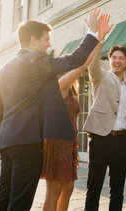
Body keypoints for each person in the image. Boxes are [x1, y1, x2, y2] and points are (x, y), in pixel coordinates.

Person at [0, 8, 109, 211]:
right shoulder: (37, 61)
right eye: (46, 39)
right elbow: (75, 60)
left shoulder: (4, 68)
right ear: (33, 40)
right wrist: (91, 32)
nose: (49, 44)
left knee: (4, 194)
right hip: (27, 143)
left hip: (6, 142)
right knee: (19, 199)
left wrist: (3, 135)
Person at [40, 43, 102, 211]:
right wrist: (96, 43)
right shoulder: (60, 85)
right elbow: (81, 66)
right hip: (56, 142)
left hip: (69, 145)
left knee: (67, 190)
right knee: (53, 192)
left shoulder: (72, 90)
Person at [82, 34, 126, 210]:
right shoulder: (101, 78)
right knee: (94, 187)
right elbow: (92, 65)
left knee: (118, 189)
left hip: (121, 141)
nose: (117, 61)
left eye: (121, 58)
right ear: (109, 60)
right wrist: (99, 42)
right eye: (114, 57)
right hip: (100, 138)